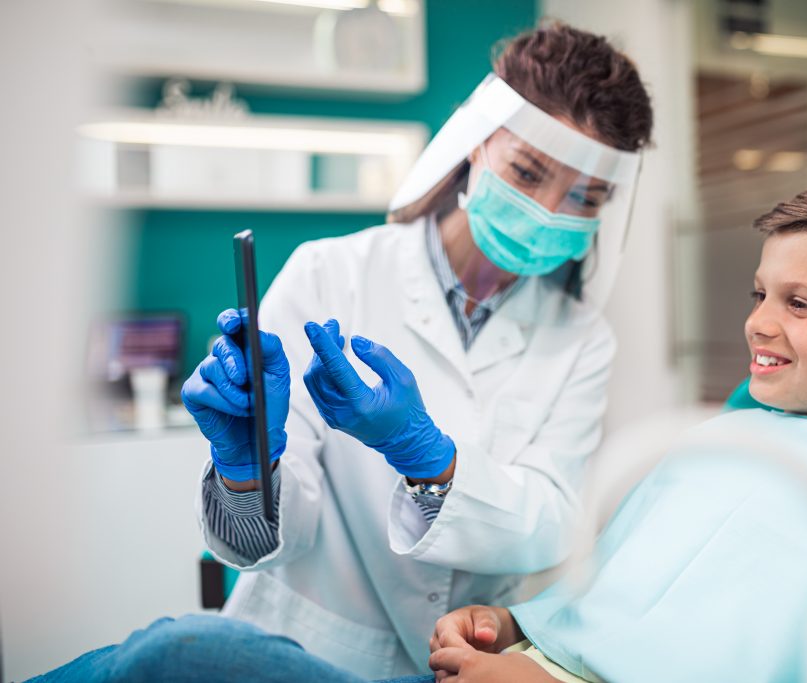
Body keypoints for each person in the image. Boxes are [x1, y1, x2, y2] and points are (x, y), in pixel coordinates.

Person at [32, 176, 807, 682]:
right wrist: (519, 622)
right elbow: (620, 586)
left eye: (800, 303)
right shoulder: (726, 445)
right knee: (173, 651)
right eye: (758, 294)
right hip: (391, 642)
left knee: (185, 653)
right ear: (474, 153)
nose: (761, 324)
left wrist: (428, 458)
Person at [178, 22, 653, 680]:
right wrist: (244, 468)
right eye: (527, 172)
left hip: (468, 661)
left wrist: (427, 458)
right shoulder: (328, 274)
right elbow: (268, 540)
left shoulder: (582, 339)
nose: (548, 210)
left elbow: (551, 521)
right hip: (305, 649)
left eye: (584, 197)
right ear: (474, 145)